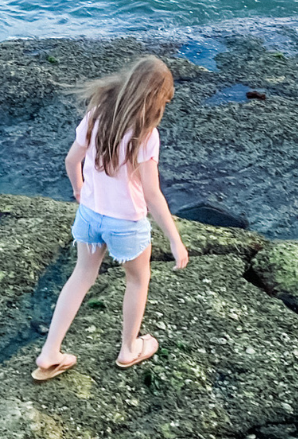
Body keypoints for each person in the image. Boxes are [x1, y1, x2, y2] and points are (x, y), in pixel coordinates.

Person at [32, 56, 189, 381]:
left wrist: (79, 189)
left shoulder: (97, 114)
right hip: (126, 224)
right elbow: (151, 194)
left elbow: (71, 159)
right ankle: (129, 348)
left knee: (81, 277)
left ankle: (50, 351)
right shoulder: (146, 134)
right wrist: (175, 240)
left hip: (90, 216)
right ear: (155, 98)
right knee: (137, 279)